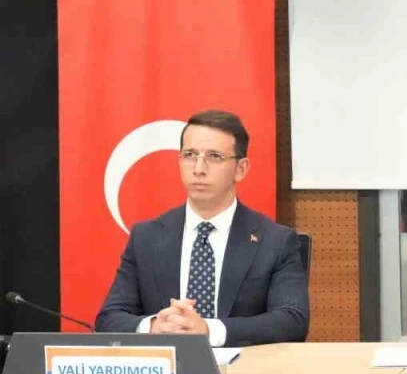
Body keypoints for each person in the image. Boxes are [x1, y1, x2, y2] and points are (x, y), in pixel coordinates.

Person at [95, 110, 309, 346]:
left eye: (214, 156)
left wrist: (208, 330)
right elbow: (109, 318)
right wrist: (155, 326)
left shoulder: (275, 241)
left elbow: (292, 321)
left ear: (241, 169)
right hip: (169, 366)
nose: (198, 169)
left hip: (244, 367)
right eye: (190, 155)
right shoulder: (146, 237)